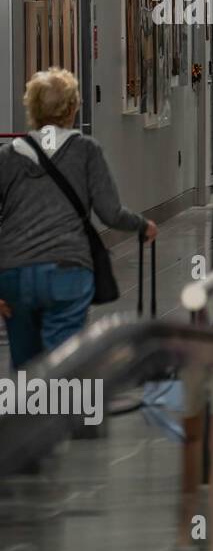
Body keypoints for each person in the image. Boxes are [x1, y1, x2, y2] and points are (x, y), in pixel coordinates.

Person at [0, 68, 157, 369]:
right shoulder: (85, 150)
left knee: (25, 367)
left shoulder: (8, 155)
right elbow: (110, 212)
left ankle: (29, 414)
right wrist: (142, 225)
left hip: (14, 275)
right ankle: (64, 414)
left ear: (31, 108)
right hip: (67, 271)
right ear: (72, 108)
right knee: (65, 366)